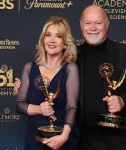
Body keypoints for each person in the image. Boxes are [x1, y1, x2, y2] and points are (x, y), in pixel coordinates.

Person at [14, 5, 126, 150]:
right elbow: (52, 81)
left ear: (107, 24)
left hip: (119, 140)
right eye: (88, 23)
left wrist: (123, 101)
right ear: (81, 25)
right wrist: (25, 88)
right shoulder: (73, 57)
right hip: (83, 142)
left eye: (98, 23)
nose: (93, 28)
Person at [16, 16, 79, 150]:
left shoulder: (70, 69)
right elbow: (20, 105)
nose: (51, 40)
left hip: (60, 138)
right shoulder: (29, 68)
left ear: (65, 43)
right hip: (34, 138)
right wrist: (39, 109)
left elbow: (71, 108)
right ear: (43, 39)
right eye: (48, 35)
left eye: (58, 36)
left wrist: (64, 136)